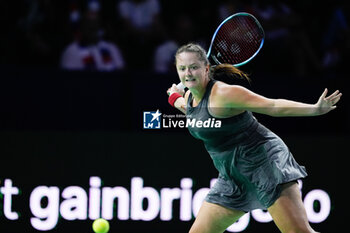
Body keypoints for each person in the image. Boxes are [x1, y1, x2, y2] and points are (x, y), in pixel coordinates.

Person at [167, 43, 342, 233]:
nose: (188, 73)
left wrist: (314, 109)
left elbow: (273, 106)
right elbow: (187, 108)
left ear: (206, 68)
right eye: (182, 69)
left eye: (194, 67)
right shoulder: (191, 99)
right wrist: (174, 96)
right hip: (232, 177)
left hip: (265, 163)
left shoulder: (224, 94)